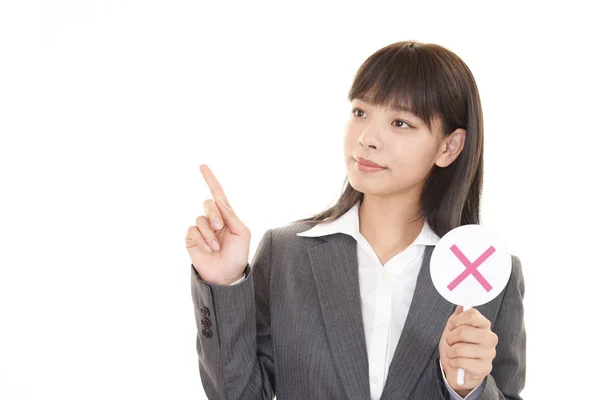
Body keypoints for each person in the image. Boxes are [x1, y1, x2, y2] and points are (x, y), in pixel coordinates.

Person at [184, 40, 526, 400]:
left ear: (449, 147)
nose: (366, 139)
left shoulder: (490, 277)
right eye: (361, 112)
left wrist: (468, 389)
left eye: (400, 122)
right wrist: (223, 282)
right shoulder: (286, 255)